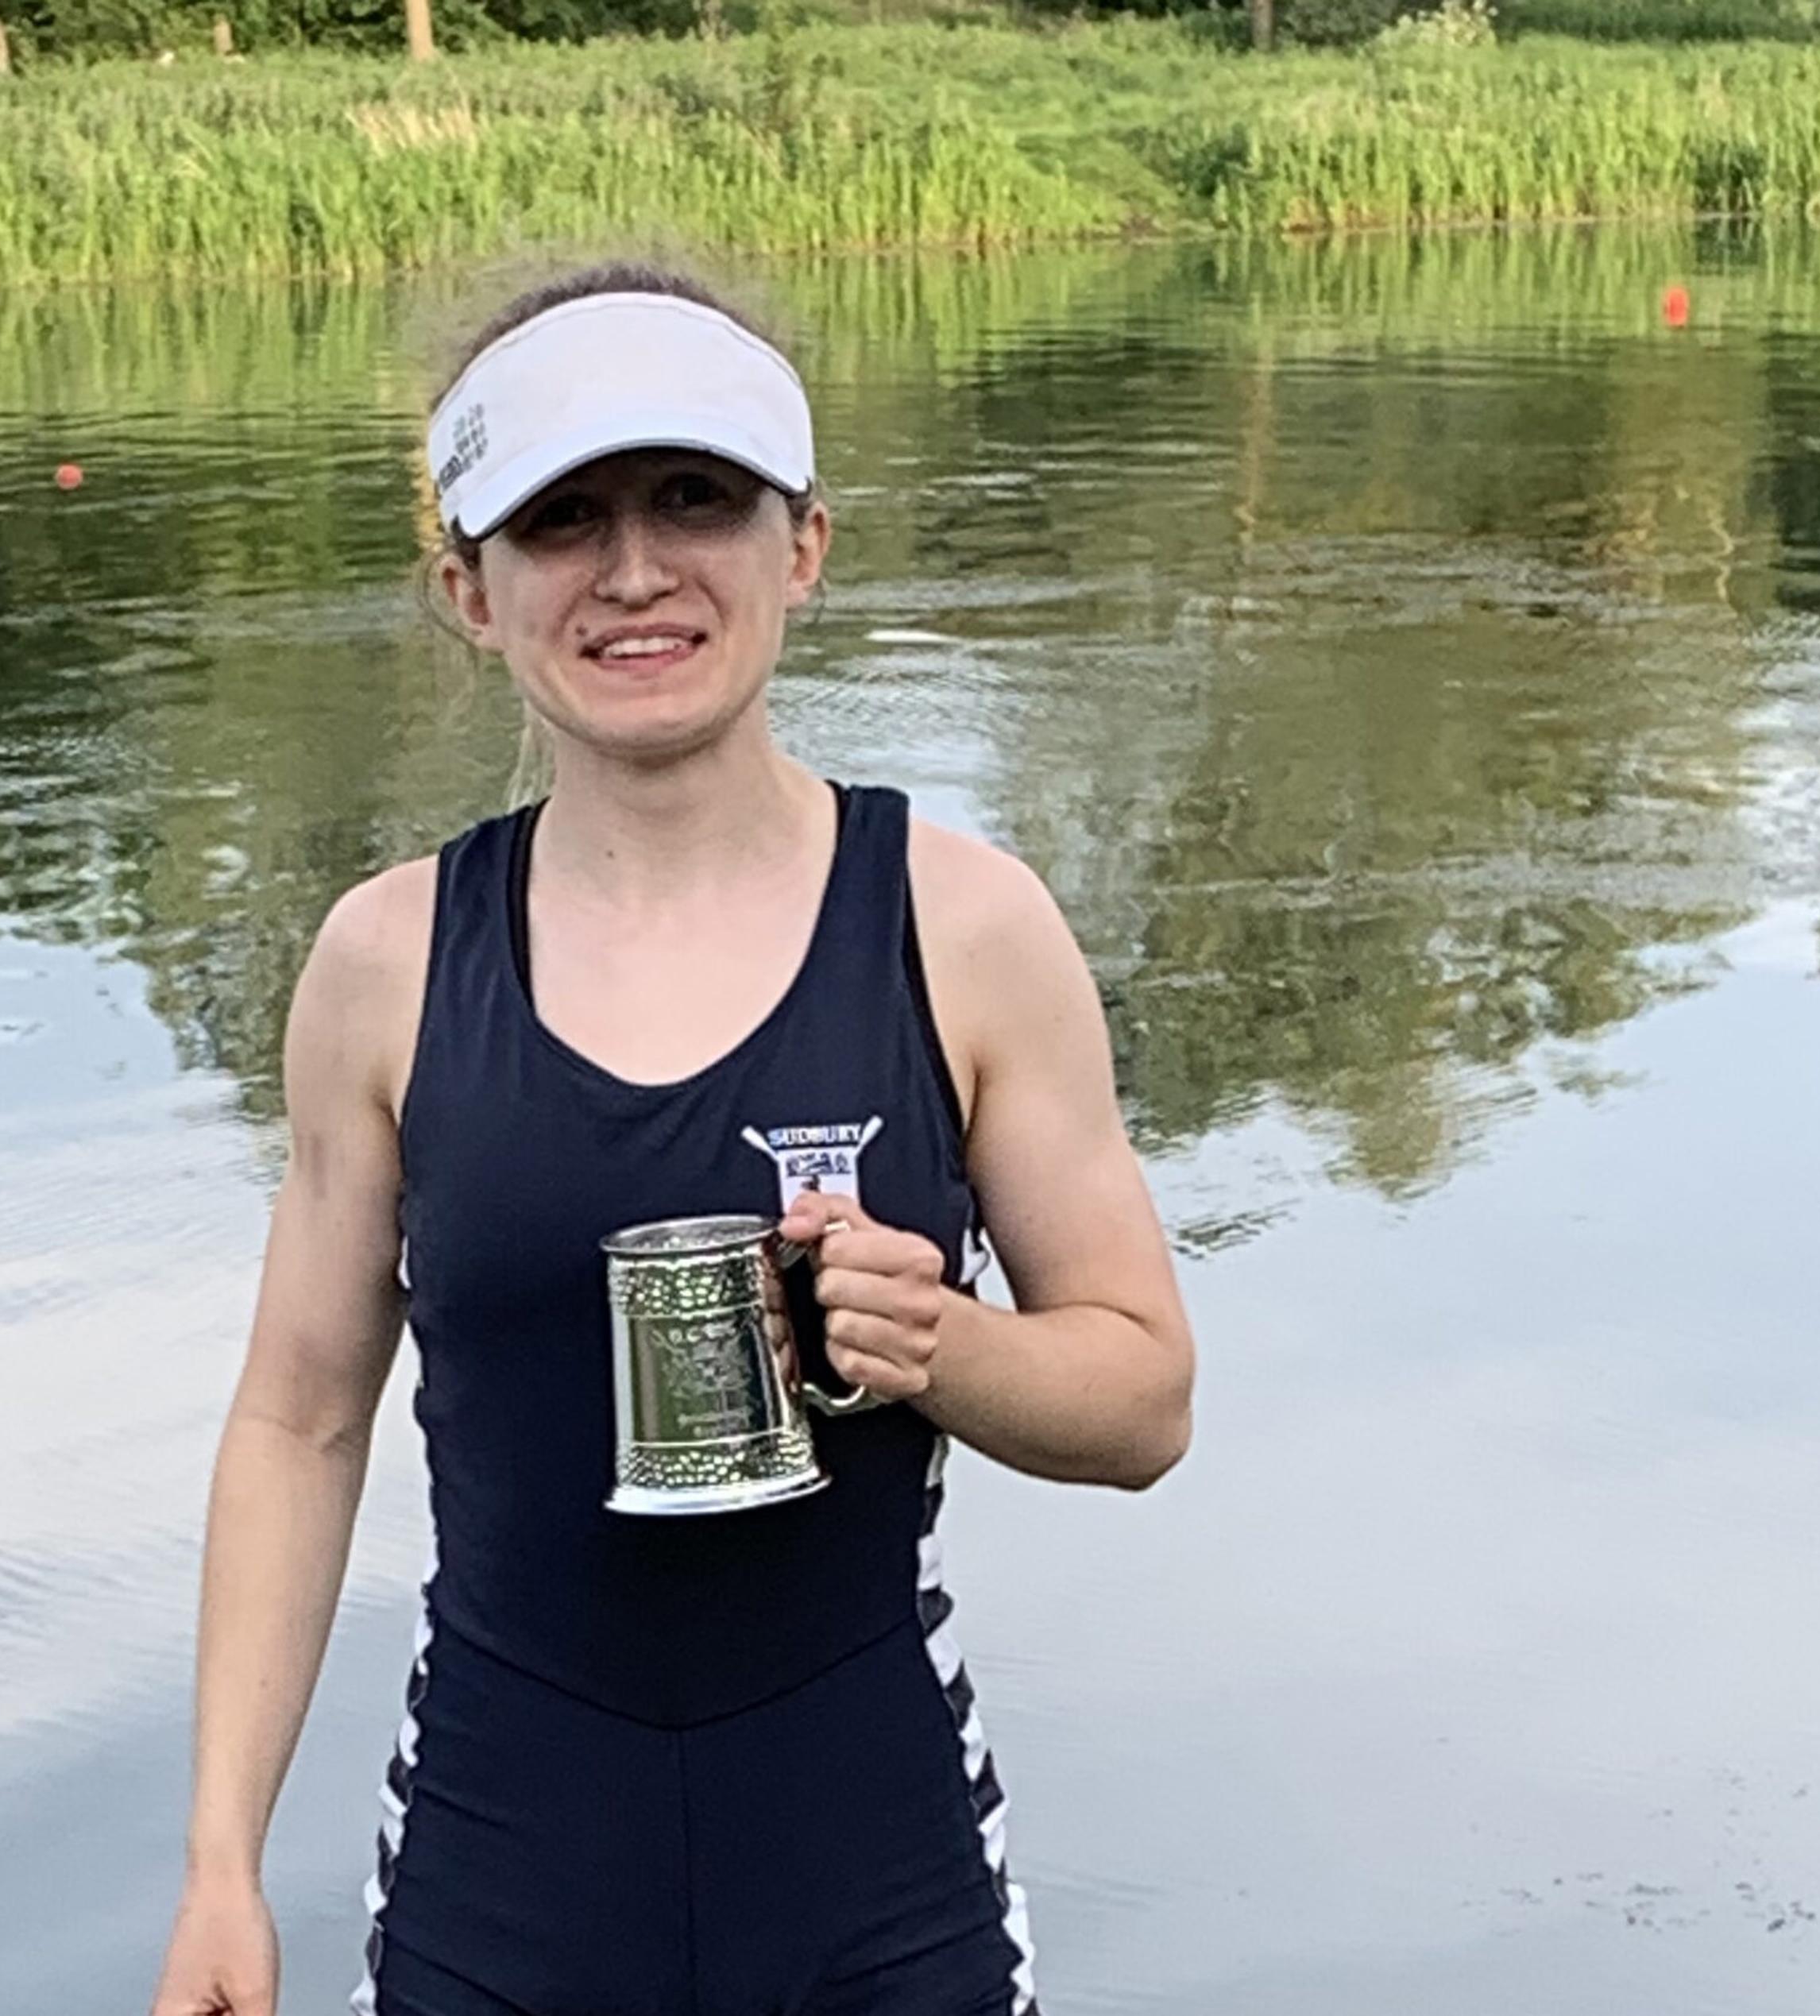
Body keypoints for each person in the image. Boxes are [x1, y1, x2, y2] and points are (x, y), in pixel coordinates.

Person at [149, 262, 1196, 2016]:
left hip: (876, 1870)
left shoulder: (964, 925)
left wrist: (943, 1346)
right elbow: (302, 1417)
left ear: (803, 546)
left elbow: (1146, 1401)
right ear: (468, 592)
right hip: (503, 1863)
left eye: (695, 498)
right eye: (562, 520)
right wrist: (218, 1869)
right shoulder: (386, 964)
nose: (635, 572)